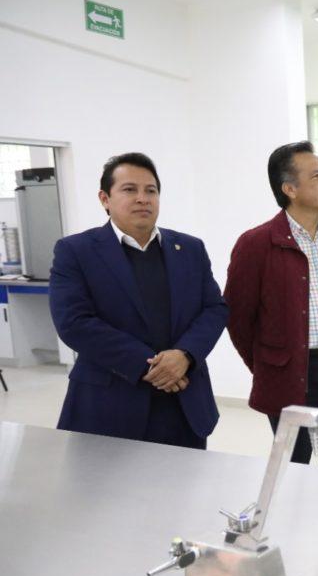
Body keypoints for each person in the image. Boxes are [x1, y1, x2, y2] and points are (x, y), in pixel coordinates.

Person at [49, 152, 227, 449]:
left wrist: (184, 355)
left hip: (183, 402)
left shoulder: (190, 249)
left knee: (184, 479)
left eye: (151, 191)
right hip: (109, 406)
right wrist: (153, 367)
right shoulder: (76, 251)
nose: (143, 199)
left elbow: (214, 309)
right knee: (106, 481)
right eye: (129, 189)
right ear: (105, 199)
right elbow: (74, 323)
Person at [225, 142, 318, 469]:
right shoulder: (256, 244)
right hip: (291, 372)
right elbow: (237, 319)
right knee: (294, 467)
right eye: (316, 176)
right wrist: (271, 365)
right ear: (289, 189)